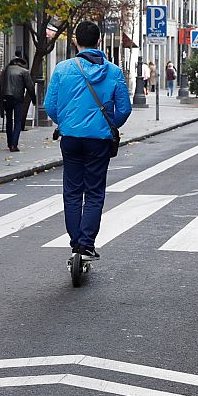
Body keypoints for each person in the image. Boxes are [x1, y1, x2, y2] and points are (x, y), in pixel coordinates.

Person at [44, 21, 132, 259]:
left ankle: (75, 242)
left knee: (72, 191)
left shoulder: (62, 69)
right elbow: (124, 108)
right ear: (99, 41)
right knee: (94, 192)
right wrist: (109, 124)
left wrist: (65, 122)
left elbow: (49, 106)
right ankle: (86, 244)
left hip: (70, 138)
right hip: (99, 140)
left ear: (75, 41)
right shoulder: (113, 72)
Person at [0, 55, 35, 152]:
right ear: (21, 63)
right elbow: (30, 87)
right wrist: (34, 99)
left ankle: (10, 143)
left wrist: (0, 99)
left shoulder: (6, 70)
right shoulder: (24, 72)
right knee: (17, 122)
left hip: (6, 97)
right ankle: (14, 144)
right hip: (17, 98)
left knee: (9, 121)